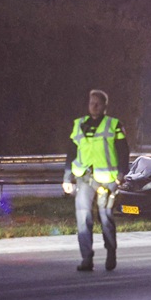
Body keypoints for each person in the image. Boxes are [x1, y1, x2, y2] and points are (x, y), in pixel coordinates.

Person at [63, 89, 130, 272]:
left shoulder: (114, 125)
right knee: (83, 218)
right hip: (85, 178)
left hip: (107, 180)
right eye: (91, 102)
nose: (93, 106)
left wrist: (122, 174)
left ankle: (111, 252)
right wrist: (67, 177)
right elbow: (71, 152)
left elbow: (123, 150)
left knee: (106, 217)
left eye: (97, 103)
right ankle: (86, 258)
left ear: (104, 106)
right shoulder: (79, 124)